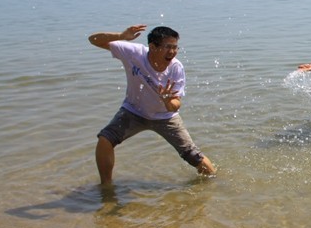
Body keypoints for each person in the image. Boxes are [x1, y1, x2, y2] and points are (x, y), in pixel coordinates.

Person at [89, 24, 216, 187]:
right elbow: (93, 40)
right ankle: (106, 187)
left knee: (193, 156)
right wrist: (121, 36)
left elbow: (176, 105)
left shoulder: (176, 68)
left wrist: (167, 101)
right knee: (105, 139)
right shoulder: (134, 53)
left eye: (175, 47)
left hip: (165, 117)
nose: (172, 52)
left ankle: (214, 184)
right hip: (132, 112)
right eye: (168, 47)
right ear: (152, 46)